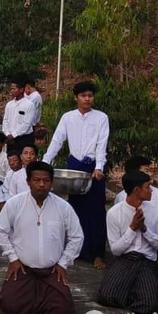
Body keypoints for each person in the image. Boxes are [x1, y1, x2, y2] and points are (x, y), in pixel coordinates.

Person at [0, 161, 84, 314]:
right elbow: (0, 230)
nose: (41, 184)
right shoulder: (15, 203)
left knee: (63, 312)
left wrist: (64, 263)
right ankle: (37, 299)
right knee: (10, 305)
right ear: (28, 182)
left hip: (51, 271)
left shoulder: (63, 207)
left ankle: (37, 299)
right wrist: (13, 258)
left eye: (46, 180)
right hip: (23, 268)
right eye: (36, 180)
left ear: (51, 182)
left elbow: (77, 236)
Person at [42, 81, 110, 269]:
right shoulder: (68, 117)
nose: (87, 99)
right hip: (74, 164)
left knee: (96, 210)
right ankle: (76, 250)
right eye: (83, 95)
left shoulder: (101, 117)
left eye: (90, 95)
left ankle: (97, 253)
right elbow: (57, 140)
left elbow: (101, 144)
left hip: (93, 167)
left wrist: (99, 166)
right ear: (76, 98)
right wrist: (46, 162)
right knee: (75, 208)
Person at [97, 171, 158, 314]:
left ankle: (134, 290)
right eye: (148, 187)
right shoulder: (115, 213)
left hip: (147, 260)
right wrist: (132, 228)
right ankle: (132, 291)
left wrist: (144, 229)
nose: (151, 190)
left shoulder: (155, 211)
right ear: (136, 190)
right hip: (125, 259)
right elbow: (116, 250)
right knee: (107, 296)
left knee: (150, 305)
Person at [3, 80, 35, 152]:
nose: (12, 91)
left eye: (14, 89)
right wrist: (7, 133)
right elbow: (5, 120)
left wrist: (14, 135)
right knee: (12, 159)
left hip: (24, 138)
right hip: (10, 138)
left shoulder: (29, 105)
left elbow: (26, 124)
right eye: (11, 89)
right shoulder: (9, 104)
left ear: (21, 90)